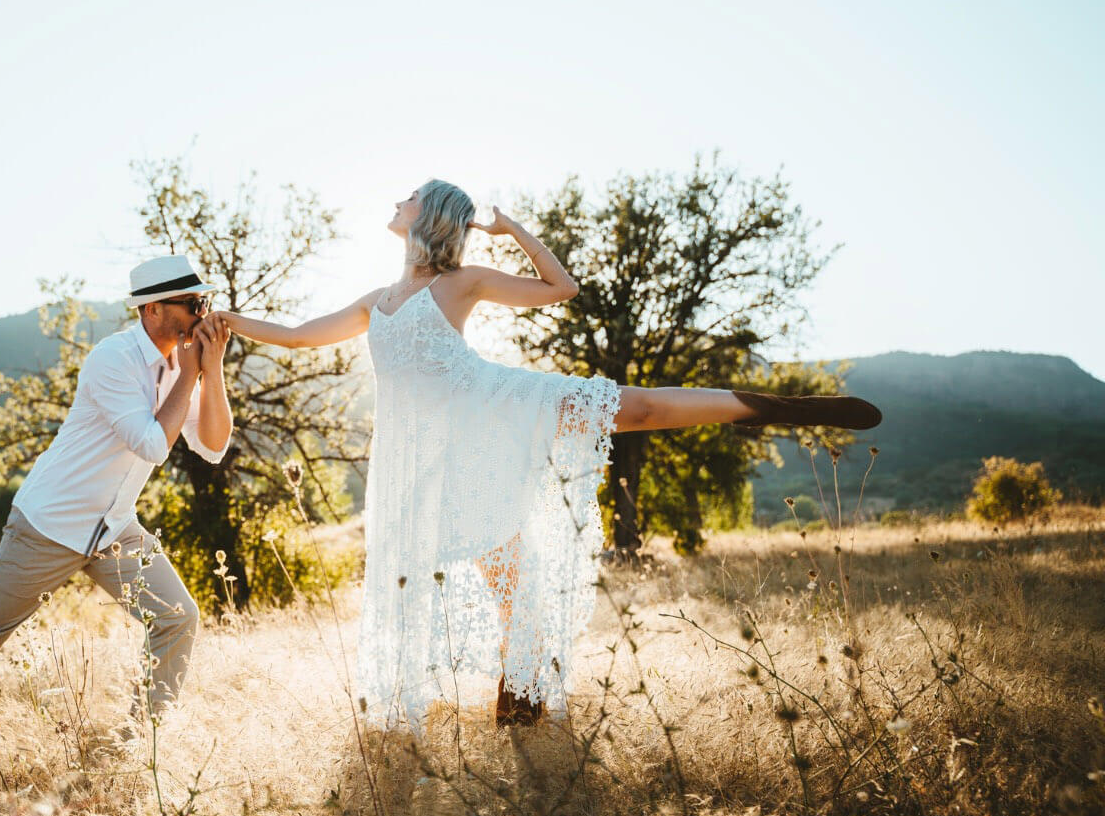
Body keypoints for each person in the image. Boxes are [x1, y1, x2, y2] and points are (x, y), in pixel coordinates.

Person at [214, 179, 879, 731]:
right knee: (513, 587)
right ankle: (524, 701)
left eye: (411, 193)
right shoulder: (376, 301)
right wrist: (226, 322)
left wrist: (514, 229)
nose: (399, 196)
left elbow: (560, 288)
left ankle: (773, 406)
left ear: (432, 213)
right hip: (438, 460)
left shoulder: (464, 279)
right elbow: (299, 336)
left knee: (636, 409)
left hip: (500, 404)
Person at [0, 254, 233, 739]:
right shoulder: (112, 359)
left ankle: (139, 747)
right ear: (152, 310)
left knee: (177, 618)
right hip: (48, 524)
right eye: (192, 303)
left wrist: (211, 370)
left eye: (205, 302)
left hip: (114, 528)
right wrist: (188, 375)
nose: (202, 314)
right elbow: (153, 445)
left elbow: (216, 445)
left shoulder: (178, 366)